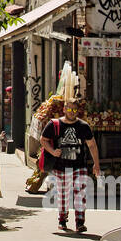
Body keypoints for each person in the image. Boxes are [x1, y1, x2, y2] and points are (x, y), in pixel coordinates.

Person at [39, 98, 100, 233]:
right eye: (69, 109)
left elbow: (92, 145)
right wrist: (53, 151)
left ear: (77, 111)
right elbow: (43, 140)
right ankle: (62, 219)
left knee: (80, 194)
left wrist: (96, 164)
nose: (71, 112)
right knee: (63, 194)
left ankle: (80, 222)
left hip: (79, 166)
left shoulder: (84, 126)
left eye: (74, 110)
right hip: (61, 166)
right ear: (64, 109)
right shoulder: (54, 124)